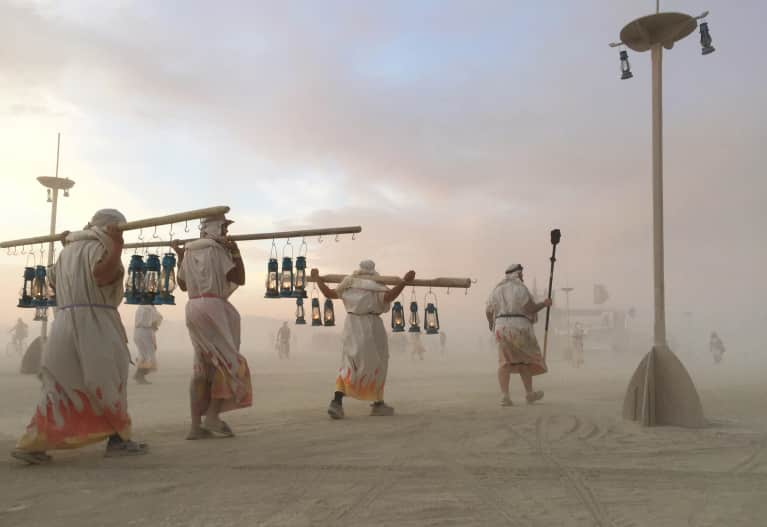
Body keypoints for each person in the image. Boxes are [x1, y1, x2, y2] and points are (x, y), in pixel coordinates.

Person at [12, 209, 147, 464]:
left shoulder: (68, 250)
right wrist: (117, 247)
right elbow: (101, 275)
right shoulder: (101, 247)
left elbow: (53, 279)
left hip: (64, 321)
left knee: (60, 383)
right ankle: (118, 439)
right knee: (108, 379)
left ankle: (33, 443)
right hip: (95, 322)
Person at [173, 214, 252, 440]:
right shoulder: (216, 250)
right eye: (224, 229)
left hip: (193, 307)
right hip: (213, 307)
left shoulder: (189, 250)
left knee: (202, 367)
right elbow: (239, 277)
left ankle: (196, 426)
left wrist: (180, 257)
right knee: (228, 364)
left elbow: (182, 284)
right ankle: (212, 416)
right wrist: (235, 251)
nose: (226, 233)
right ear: (216, 228)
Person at [312, 261, 414, 419]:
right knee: (377, 363)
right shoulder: (376, 286)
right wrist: (404, 282)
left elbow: (329, 293)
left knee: (348, 363)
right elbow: (390, 296)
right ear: (373, 271)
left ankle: (337, 402)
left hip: (351, 326)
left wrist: (317, 278)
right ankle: (378, 404)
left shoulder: (349, 284)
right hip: (371, 327)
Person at [486, 263, 552, 407]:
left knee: (504, 362)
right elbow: (530, 308)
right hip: (520, 329)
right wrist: (544, 303)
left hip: (501, 328)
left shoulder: (496, 290)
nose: (522, 277)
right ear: (516, 274)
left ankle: (505, 396)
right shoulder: (520, 289)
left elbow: (488, 310)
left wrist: (491, 323)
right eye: (521, 274)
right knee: (524, 361)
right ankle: (529, 394)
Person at [133, 304, 163, 384]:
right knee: (149, 357)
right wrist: (155, 326)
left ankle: (139, 375)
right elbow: (157, 319)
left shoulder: (140, 307)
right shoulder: (150, 308)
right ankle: (139, 375)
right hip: (146, 332)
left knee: (143, 355)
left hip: (137, 332)